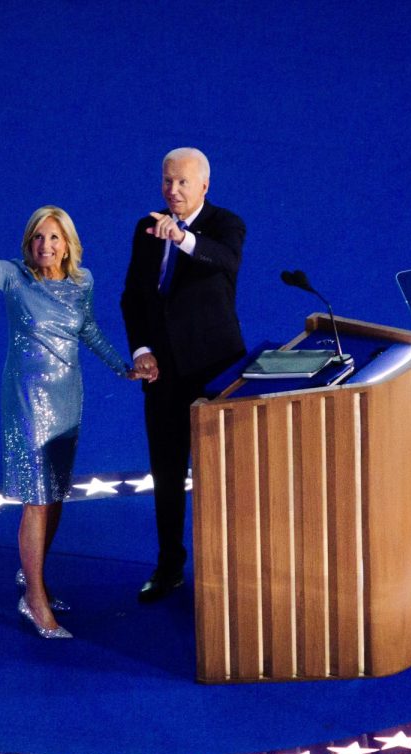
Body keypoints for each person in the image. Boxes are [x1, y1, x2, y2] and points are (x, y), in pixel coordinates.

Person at [0, 166, 140, 638]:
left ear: (68, 244)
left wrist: (123, 367)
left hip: (68, 398)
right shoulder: (14, 278)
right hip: (28, 400)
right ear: (28, 244)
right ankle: (33, 599)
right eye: (37, 238)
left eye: (53, 238)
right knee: (36, 499)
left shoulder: (82, 282)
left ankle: (37, 579)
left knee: (56, 498)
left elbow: (88, 329)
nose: (45, 246)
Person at [120, 148, 247, 603]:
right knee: (168, 473)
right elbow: (134, 296)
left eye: (183, 183)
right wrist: (142, 349)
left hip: (216, 372)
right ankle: (169, 566)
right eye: (167, 181)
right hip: (163, 376)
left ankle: (225, 570)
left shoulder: (226, 224)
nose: (173, 190)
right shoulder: (146, 227)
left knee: (221, 476)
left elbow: (224, 261)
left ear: (204, 186)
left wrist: (182, 239)